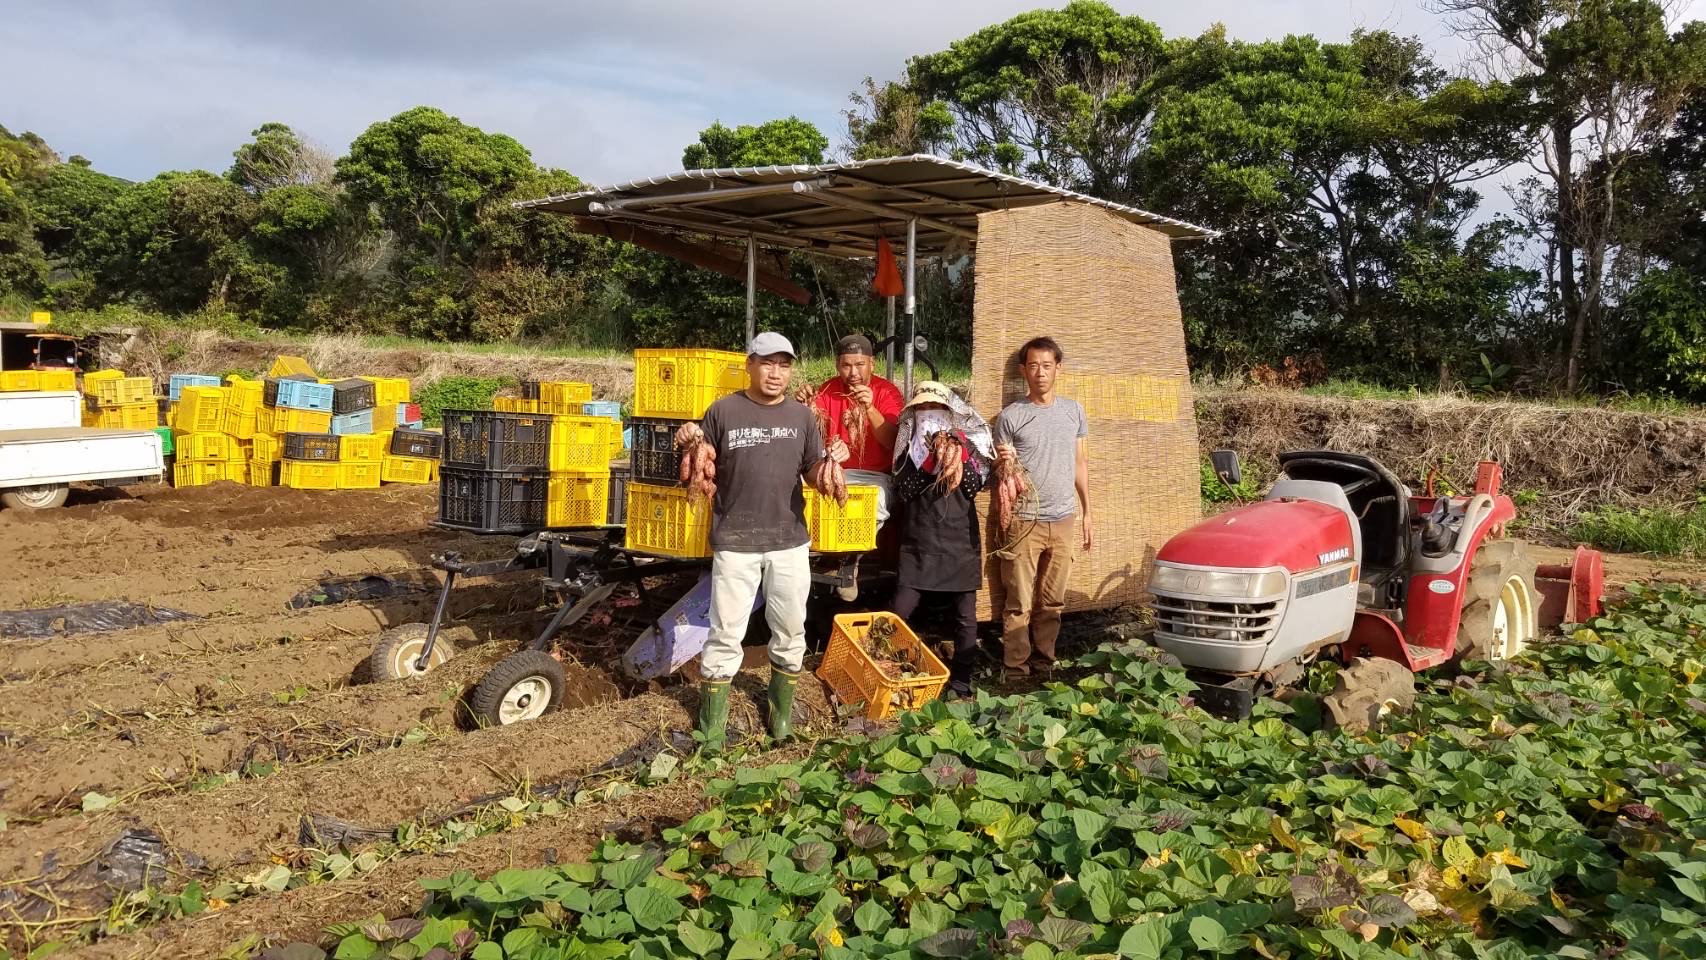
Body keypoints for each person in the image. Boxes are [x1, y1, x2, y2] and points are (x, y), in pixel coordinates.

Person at [674, 332, 836, 748]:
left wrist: (830, 473)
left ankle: (780, 718)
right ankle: (712, 730)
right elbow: (699, 461)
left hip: (789, 541)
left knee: (790, 628)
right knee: (726, 630)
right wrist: (688, 436)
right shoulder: (723, 411)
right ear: (750, 365)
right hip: (735, 539)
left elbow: (812, 469)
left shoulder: (802, 417)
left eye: (784, 365)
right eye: (767, 363)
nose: (775, 373)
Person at [993, 336, 1091, 676]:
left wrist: (1087, 511)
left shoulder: (1073, 411)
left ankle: (1044, 662)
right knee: (1018, 601)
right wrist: (1006, 459)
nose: (1040, 373)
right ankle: (1016, 668)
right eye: (1033, 366)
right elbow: (1003, 474)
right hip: (1023, 521)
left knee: (1052, 601)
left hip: (1063, 519)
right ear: (1023, 371)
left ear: (1058, 368)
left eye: (1047, 366)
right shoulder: (1010, 417)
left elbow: (1080, 463)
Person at [889, 381, 993, 697]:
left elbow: (975, 486)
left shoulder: (968, 446)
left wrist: (956, 455)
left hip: (960, 544)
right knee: (900, 610)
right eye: (921, 409)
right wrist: (929, 461)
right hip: (919, 544)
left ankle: (961, 681)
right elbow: (903, 492)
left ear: (950, 413)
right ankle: (890, 668)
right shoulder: (909, 450)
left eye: (935, 409)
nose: (928, 414)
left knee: (965, 619)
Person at [795, 333, 904, 527]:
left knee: (873, 503)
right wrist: (803, 404)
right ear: (837, 365)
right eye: (846, 366)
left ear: (872, 364)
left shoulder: (887, 392)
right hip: (832, 471)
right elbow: (811, 431)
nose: (853, 373)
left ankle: (853, 551)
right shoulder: (828, 389)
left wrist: (870, 408)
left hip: (874, 477)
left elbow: (892, 441)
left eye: (860, 365)